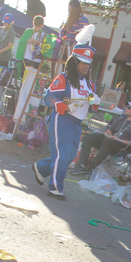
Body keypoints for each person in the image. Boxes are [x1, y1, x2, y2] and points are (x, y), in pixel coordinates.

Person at [32, 24, 99, 200]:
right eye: (83, 62)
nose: (86, 66)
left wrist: (96, 103)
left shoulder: (90, 84)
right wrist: (62, 106)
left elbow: (90, 106)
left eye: (89, 63)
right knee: (62, 153)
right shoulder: (64, 78)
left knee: (69, 156)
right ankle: (55, 187)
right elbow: (49, 97)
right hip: (62, 119)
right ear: (75, 61)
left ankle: (41, 167)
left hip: (77, 123)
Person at [70, 101, 131, 175]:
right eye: (126, 107)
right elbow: (107, 133)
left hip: (123, 147)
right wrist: (109, 136)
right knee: (89, 137)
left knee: (108, 141)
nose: (126, 108)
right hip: (110, 142)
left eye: (129, 107)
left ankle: (92, 168)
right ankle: (82, 165)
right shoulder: (120, 119)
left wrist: (119, 140)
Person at [57, 0, 88, 65]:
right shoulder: (69, 20)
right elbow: (63, 30)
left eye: (70, 8)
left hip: (75, 50)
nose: (68, 10)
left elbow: (82, 34)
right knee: (63, 66)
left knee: (71, 67)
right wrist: (63, 38)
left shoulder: (82, 19)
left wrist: (75, 44)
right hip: (65, 47)